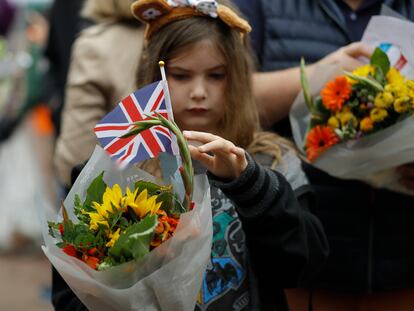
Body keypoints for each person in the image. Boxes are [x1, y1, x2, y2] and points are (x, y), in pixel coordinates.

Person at [51, 0, 329, 310]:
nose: (199, 91)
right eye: (181, 76)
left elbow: (303, 265)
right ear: (154, 77)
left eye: (216, 75)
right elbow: (71, 294)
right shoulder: (116, 170)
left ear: (236, 78)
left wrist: (250, 185)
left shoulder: (272, 161)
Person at [233, 0, 414, 310]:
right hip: (303, 260)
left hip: (403, 258)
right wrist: (317, 76)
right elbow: (223, 96)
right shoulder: (261, 6)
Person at [53, 0, 145, 187]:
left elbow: (76, 155)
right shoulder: (203, 33)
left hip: (126, 202)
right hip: (209, 195)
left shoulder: (96, 46)